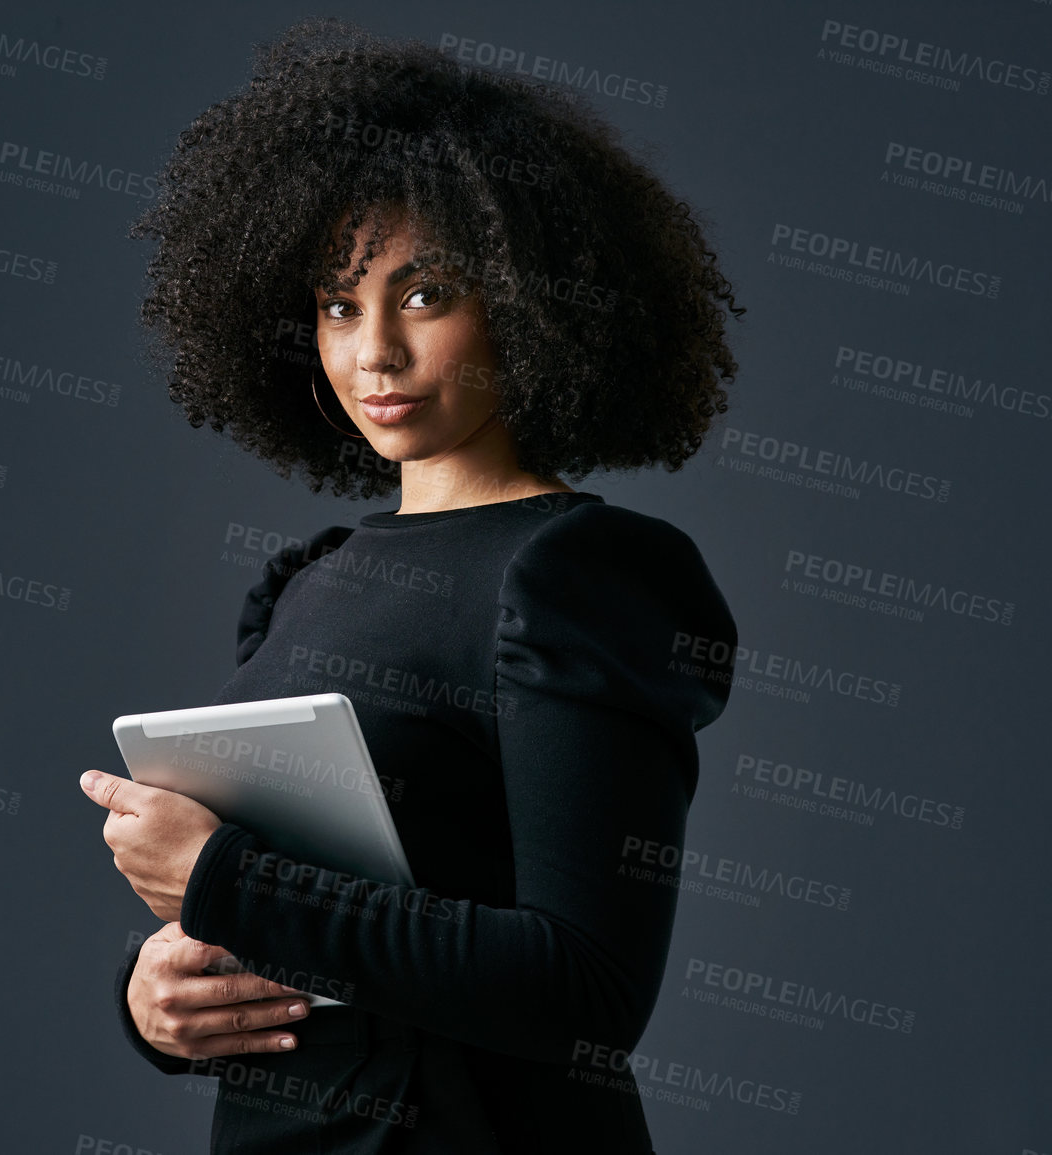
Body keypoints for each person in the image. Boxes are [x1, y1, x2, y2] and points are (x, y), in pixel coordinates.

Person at [78, 17, 743, 1153]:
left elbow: (586, 992)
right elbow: (312, 928)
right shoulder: (306, 581)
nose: (373, 351)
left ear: (534, 302)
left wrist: (224, 881)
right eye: (340, 305)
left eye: (426, 295)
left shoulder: (581, 575)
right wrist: (159, 999)